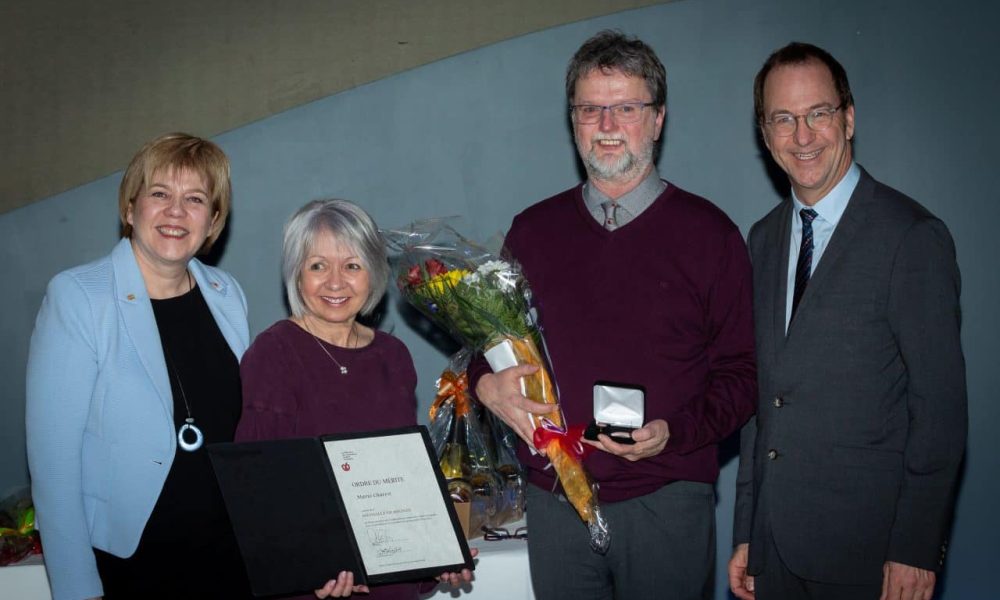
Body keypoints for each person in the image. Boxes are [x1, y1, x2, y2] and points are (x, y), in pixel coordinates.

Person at [469, 30, 756, 599]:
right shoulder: (532, 232)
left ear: (657, 119)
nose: (606, 125)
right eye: (590, 109)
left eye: (625, 108)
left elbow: (744, 375)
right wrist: (486, 387)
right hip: (555, 498)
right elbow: (490, 346)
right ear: (572, 119)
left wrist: (675, 434)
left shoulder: (711, 235)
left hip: (668, 496)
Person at [729, 42, 967, 600]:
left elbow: (941, 408)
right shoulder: (762, 240)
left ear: (849, 118)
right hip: (777, 552)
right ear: (765, 135)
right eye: (783, 119)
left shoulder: (911, 237)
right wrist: (748, 532)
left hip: (873, 557)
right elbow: (761, 404)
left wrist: (914, 545)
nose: (803, 136)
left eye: (819, 113)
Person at [26, 133, 252, 599]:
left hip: (227, 556)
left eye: (195, 199)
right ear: (130, 209)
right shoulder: (80, 297)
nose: (175, 212)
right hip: (131, 564)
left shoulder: (226, 293)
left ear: (213, 221)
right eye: (159, 194)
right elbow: (53, 465)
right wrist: (76, 590)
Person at [236, 199, 473, 599]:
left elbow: (404, 475)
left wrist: (438, 551)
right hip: (319, 584)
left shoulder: (391, 356)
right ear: (296, 275)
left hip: (390, 583)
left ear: (373, 274)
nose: (335, 282)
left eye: (352, 265)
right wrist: (312, 565)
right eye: (317, 266)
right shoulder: (273, 353)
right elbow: (259, 491)